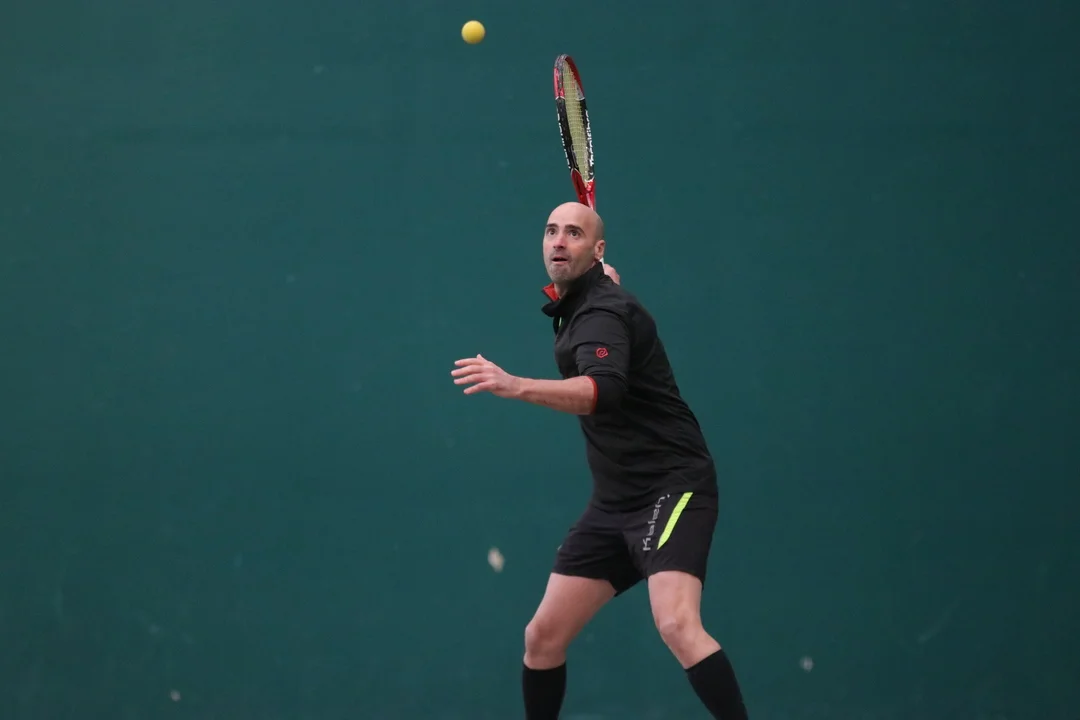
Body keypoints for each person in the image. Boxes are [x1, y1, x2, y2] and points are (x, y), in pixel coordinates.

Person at [450, 201, 748, 720]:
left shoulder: (602, 313)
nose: (558, 241)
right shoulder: (590, 298)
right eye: (551, 231)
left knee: (677, 624)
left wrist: (515, 385)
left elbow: (601, 391)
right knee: (543, 637)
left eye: (574, 233)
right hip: (614, 502)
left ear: (597, 248)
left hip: (670, 487)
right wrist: (599, 280)